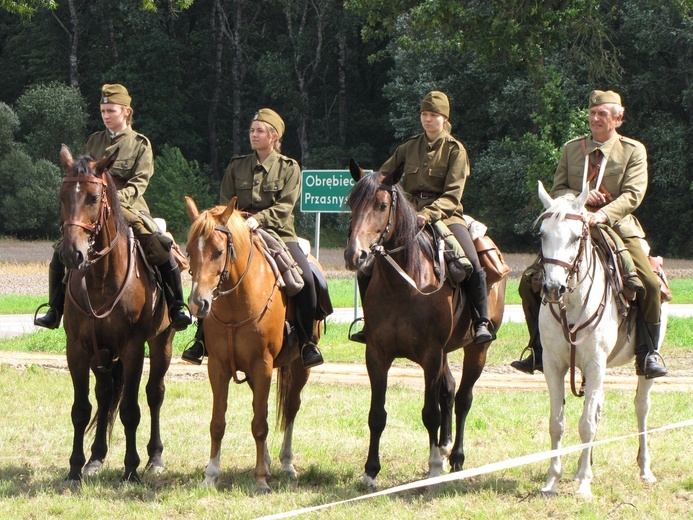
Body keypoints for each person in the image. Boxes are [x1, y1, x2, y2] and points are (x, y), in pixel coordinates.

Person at [510, 89, 668, 379]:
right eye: (592, 113)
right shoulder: (572, 148)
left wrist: (603, 213)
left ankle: (648, 353)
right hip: (572, 222)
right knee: (528, 281)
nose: (595, 118)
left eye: (603, 114)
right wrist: (579, 198)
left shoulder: (633, 151)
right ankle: (538, 350)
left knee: (647, 282)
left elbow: (633, 194)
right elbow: (558, 189)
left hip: (615, 225)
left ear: (618, 118)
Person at [34, 84, 191, 332]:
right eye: (103, 110)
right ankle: (55, 309)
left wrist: (114, 198)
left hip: (128, 205)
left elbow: (140, 182)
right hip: (93, 207)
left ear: (126, 112)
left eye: (111, 110)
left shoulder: (141, 144)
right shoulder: (94, 140)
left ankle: (176, 306)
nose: (106, 115)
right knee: (61, 248)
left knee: (158, 244)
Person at [181, 108, 324, 369]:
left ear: (273, 136)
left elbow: (287, 205)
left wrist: (260, 219)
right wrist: (234, 222)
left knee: (306, 279)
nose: (253, 135)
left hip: (278, 232)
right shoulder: (237, 165)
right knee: (214, 274)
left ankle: (306, 341)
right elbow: (225, 203)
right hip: (236, 232)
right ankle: (201, 339)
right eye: (252, 130)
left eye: (260, 131)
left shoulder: (289, 168)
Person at [349, 91, 494, 344]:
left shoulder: (455, 150)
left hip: (446, 215)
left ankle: (480, 322)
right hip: (407, 212)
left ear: (444, 118)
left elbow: (453, 194)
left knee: (469, 261)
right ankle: (369, 321)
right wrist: (367, 184)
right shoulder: (409, 146)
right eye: (425, 115)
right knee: (367, 264)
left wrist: (427, 214)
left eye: (434, 115)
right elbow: (383, 177)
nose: (428, 120)